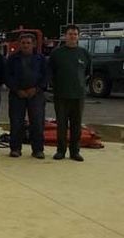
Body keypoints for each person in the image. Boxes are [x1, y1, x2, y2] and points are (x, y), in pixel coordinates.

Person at [48, 24, 91, 161]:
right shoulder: (57, 53)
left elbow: (88, 73)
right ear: (65, 36)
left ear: (78, 37)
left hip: (78, 96)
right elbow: (51, 73)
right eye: (70, 34)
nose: (73, 36)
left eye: (75, 34)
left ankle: (75, 151)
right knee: (61, 125)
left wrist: (82, 87)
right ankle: (61, 150)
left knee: (76, 125)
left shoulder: (84, 53)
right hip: (61, 95)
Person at [5, 33, 47, 159]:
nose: (26, 45)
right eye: (23, 43)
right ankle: (15, 148)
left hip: (36, 95)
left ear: (33, 44)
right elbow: (7, 76)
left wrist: (37, 89)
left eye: (28, 43)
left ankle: (38, 150)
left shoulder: (41, 59)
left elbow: (46, 76)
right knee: (16, 123)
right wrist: (17, 90)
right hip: (17, 95)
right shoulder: (12, 59)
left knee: (37, 123)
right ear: (19, 44)